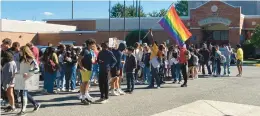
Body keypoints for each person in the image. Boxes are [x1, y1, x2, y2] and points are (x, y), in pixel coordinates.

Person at [18, 46, 40, 115]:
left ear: (24, 51)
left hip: (28, 78)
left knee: (23, 93)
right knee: (24, 93)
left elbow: (37, 69)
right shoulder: (21, 59)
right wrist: (17, 72)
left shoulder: (31, 59)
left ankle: (23, 110)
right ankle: (35, 104)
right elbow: (22, 68)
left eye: (20, 51)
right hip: (21, 78)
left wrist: (28, 72)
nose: (19, 52)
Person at [78, 39, 96, 105]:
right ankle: (83, 98)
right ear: (89, 44)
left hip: (89, 69)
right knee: (84, 83)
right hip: (85, 69)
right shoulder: (84, 51)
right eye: (92, 44)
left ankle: (85, 96)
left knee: (87, 82)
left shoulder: (89, 51)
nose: (93, 45)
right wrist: (82, 67)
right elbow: (79, 59)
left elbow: (92, 60)